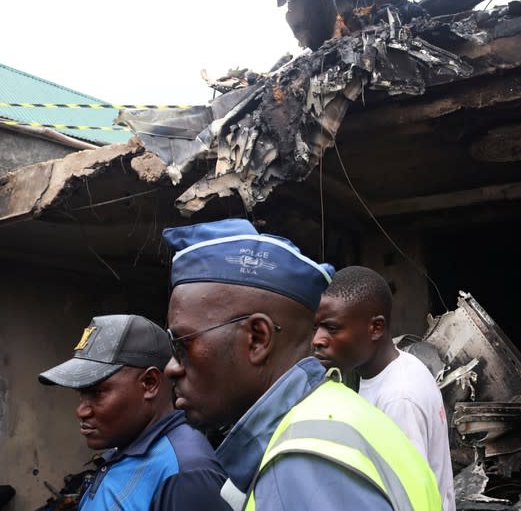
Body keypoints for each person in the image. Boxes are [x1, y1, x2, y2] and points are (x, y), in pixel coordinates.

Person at [161, 218, 441, 511]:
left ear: (257, 339)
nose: (171, 367)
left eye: (182, 345)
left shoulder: (302, 462)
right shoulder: (340, 414)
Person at [38, 314, 227, 511]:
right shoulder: (126, 448)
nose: (81, 411)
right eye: (81, 394)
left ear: (149, 383)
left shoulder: (184, 474)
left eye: (97, 393)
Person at [312, 266, 456, 511]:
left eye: (332, 328)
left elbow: (408, 500)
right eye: (316, 327)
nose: (317, 339)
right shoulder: (401, 366)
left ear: (375, 328)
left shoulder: (398, 398)